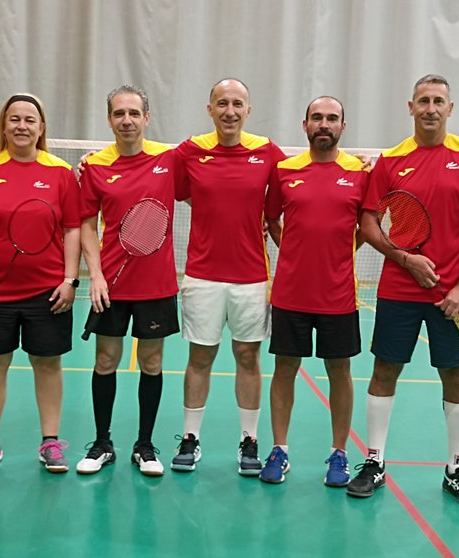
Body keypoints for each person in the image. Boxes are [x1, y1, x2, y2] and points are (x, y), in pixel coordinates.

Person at [347, 75, 459, 509]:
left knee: (456, 376)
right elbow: (369, 223)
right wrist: (404, 258)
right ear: (410, 107)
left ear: (449, 109)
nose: (430, 108)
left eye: (438, 102)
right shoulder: (391, 161)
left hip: (453, 295)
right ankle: (374, 461)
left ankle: (457, 469)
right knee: (384, 372)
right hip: (399, 289)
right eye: (423, 101)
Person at [0, 93, 81, 474]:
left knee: (48, 365)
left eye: (30, 119)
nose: (22, 126)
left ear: (41, 127)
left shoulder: (60, 172)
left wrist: (70, 280)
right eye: (14, 119)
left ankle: (50, 442)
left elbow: (73, 228)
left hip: (48, 293)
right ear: (4, 126)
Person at [171, 78, 287, 476]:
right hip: (202, 275)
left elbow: (307, 182)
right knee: (199, 357)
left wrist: (361, 170)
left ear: (248, 110)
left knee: (247, 357)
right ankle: (190, 437)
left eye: (238, 103)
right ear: (210, 109)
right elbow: (154, 175)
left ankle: (249, 440)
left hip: (252, 277)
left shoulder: (267, 153)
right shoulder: (190, 151)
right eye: (222, 103)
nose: (230, 111)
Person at [259, 96, 369, 486]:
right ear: (305, 125)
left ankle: (339, 454)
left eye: (332, 118)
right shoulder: (285, 171)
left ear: (343, 126)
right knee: (284, 368)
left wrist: (340, 252)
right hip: (290, 293)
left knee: (339, 370)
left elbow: (367, 227)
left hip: (339, 295)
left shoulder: (360, 172)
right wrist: (292, 250)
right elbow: (271, 217)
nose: (324, 124)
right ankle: (280, 449)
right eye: (317, 118)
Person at [76, 85, 180, 477]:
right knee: (106, 360)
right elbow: (87, 223)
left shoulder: (169, 161)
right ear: (109, 119)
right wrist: (96, 276)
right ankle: (102, 443)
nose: (127, 120)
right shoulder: (96, 166)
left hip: (156, 285)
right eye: (119, 113)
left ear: (147, 118)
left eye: (134, 113)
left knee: (151, 362)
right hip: (112, 285)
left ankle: (145, 445)